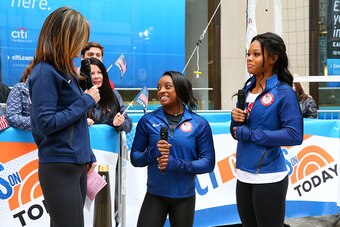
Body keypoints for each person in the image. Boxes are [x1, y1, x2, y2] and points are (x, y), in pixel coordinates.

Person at [27, 7, 100, 227]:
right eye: (79, 39)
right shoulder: (44, 72)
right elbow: (45, 123)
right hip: (59, 165)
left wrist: (87, 155)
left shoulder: (64, 72)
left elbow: (74, 123)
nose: (81, 47)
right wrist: (86, 101)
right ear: (65, 38)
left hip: (74, 164)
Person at [230, 32, 303, 227]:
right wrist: (235, 121)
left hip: (269, 177)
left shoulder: (284, 92)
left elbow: (294, 135)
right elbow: (238, 131)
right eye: (248, 54)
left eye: (256, 54)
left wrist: (251, 134)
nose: (249, 59)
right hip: (243, 175)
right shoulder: (246, 90)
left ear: (272, 58)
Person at [130, 71, 215, 227]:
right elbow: (135, 159)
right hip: (155, 195)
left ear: (180, 89)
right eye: (159, 87)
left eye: (167, 86)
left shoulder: (199, 123)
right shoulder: (147, 120)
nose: (161, 90)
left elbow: (208, 163)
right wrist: (153, 152)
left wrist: (175, 164)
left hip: (184, 198)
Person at [87, 57, 132, 132]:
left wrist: (119, 123)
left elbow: (128, 125)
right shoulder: (79, 94)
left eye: (99, 72)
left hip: (111, 142)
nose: (96, 76)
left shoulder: (113, 94)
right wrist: (82, 123)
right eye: (92, 73)